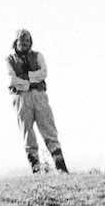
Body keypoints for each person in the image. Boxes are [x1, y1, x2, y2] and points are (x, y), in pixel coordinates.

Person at [6, 28, 68, 173]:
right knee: (27, 133)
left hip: (39, 95)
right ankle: (36, 169)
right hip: (21, 97)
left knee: (49, 130)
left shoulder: (38, 56)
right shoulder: (10, 60)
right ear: (16, 41)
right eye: (22, 40)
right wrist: (28, 82)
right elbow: (11, 79)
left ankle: (61, 167)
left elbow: (43, 73)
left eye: (27, 40)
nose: (24, 43)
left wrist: (26, 77)